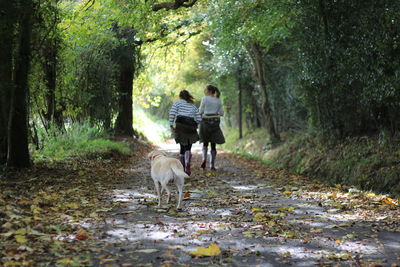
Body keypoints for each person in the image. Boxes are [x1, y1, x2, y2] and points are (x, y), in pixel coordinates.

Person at [169, 90, 202, 176]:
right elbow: (198, 118)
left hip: (181, 124)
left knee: (182, 146)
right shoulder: (192, 105)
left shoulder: (177, 103)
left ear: (180, 97)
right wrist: (195, 123)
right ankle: (187, 161)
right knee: (188, 146)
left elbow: (172, 113)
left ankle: (183, 167)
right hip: (191, 126)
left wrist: (171, 124)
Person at [198, 85, 225, 170]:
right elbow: (222, 113)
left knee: (205, 143)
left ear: (209, 91)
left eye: (205, 90)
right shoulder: (218, 100)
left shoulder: (204, 99)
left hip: (205, 121)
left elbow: (200, 111)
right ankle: (212, 165)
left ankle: (204, 159)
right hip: (215, 121)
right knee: (213, 144)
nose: (204, 91)